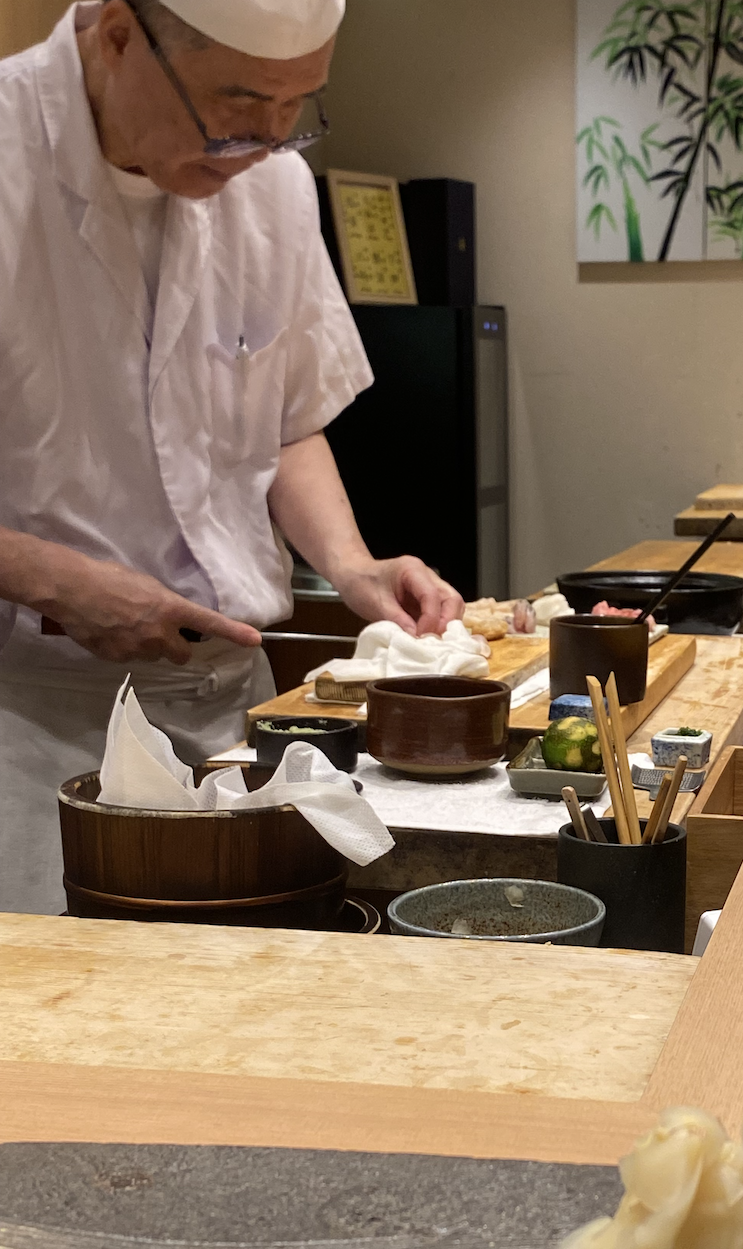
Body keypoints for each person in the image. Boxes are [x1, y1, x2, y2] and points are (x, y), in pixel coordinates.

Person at [0, 0, 465, 915]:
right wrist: (57, 580)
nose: (265, 140)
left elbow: (284, 420)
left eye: (299, 106)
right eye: (240, 102)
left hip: (232, 713)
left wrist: (350, 564)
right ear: (118, 32)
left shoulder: (273, 182)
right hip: (28, 717)